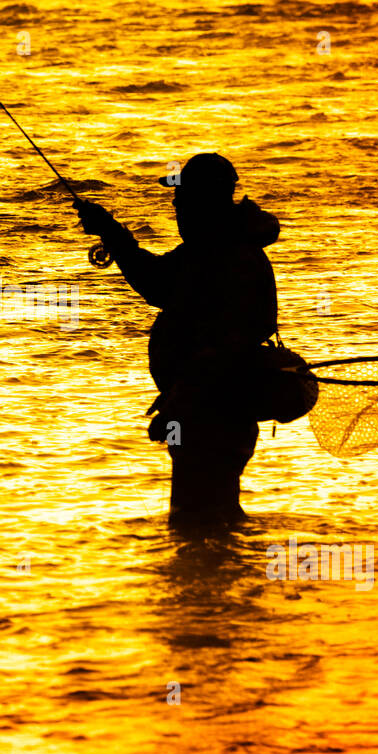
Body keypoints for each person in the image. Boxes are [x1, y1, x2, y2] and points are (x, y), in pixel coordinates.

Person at [74, 153, 280, 529]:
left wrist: (176, 406)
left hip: (211, 413)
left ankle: (209, 579)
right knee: (212, 517)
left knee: (195, 519)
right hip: (211, 411)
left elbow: (222, 349)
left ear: (205, 201)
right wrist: (111, 232)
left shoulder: (223, 256)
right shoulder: (214, 249)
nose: (176, 207)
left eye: (182, 198)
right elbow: (157, 282)